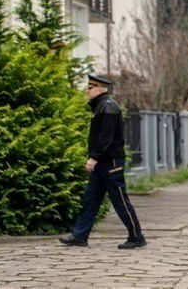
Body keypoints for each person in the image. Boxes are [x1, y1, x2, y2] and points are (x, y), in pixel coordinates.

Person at [59, 75, 147, 249]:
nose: (86, 92)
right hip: (103, 163)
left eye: (89, 89)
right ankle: (79, 236)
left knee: (120, 201)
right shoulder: (102, 106)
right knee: (90, 199)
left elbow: (105, 138)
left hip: (110, 162)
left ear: (99, 89)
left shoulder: (107, 108)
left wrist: (94, 158)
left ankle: (136, 236)